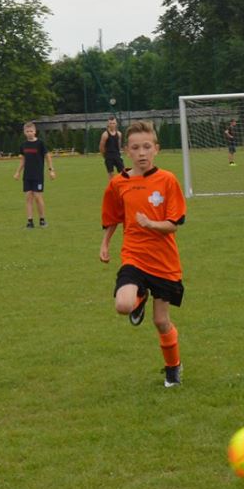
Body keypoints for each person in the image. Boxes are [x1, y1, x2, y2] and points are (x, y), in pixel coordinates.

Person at [99, 120, 187, 387]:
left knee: (161, 321)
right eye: (135, 148)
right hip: (134, 256)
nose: (141, 153)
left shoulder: (167, 180)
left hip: (164, 262)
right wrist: (105, 243)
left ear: (156, 149)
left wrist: (150, 224)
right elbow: (113, 216)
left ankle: (173, 367)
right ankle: (139, 297)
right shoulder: (119, 183)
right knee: (123, 305)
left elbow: (173, 224)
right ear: (127, 151)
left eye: (147, 147)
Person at [15, 121, 54, 228]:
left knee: (37, 197)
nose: (29, 133)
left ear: (35, 131)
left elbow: (48, 156)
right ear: (24, 132)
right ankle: (30, 221)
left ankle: (42, 219)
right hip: (27, 176)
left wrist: (51, 170)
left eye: (31, 131)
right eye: (27, 131)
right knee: (28, 197)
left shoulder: (40, 144)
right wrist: (18, 172)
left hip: (38, 175)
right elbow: (23, 160)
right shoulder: (23, 145)